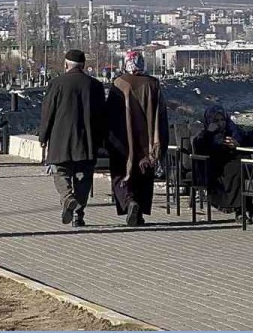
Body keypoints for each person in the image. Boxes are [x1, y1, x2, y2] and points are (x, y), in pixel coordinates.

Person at [39, 49, 107, 228]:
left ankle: (68, 197)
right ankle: (78, 215)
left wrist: (43, 136)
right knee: (83, 178)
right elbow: (102, 116)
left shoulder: (56, 84)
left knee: (60, 172)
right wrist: (101, 140)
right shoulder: (95, 85)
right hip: (86, 141)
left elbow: (48, 112)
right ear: (83, 65)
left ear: (66, 64)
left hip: (60, 140)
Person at [105, 50, 168, 226]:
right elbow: (161, 116)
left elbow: (109, 115)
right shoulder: (154, 84)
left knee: (122, 175)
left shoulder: (119, 83)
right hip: (147, 144)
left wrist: (108, 140)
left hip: (123, 143)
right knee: (144, 178)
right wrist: (161, 144)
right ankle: (138, 213)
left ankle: (129, 201)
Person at [191, 105, 252, 216]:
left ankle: (246, 208)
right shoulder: (204, 135)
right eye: (216, 120)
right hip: (214, 165)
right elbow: (198, 147)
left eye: (222, 120)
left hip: (233, 161)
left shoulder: (232, 131)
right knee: (236, 169)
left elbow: (244, 142)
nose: (220, 123)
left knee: (243, 167)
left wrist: (237, 144)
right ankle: (238, 208)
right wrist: (209, 133)